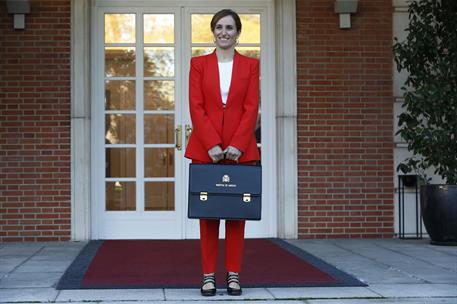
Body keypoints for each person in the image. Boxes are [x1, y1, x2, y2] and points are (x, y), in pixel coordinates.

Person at [184, 9, 260, 296]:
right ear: (213, 31)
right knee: (208, 214)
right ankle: (207, 276)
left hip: (241, 149)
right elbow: (196, 106)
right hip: (207, 149)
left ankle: (233, 275)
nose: (224, 32)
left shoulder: (250, 66)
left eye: (229, 27)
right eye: (219, 27)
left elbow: (251, 107)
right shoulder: (199, 64)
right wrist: (212, 144)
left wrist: (238, 144)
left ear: (238, 33)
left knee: (236, 215)